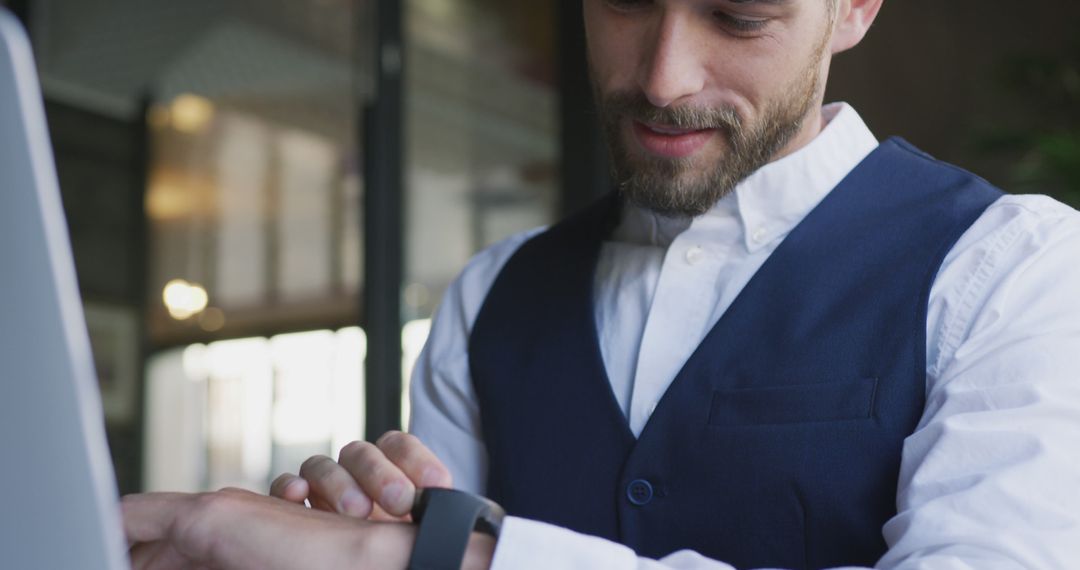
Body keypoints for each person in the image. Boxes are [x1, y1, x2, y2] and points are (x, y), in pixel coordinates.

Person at [122, 0, 1080, 568]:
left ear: (857, 5)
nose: (663, 78)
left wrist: (405, 556)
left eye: (738, 15)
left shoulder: (1017, 270)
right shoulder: (493, 295)